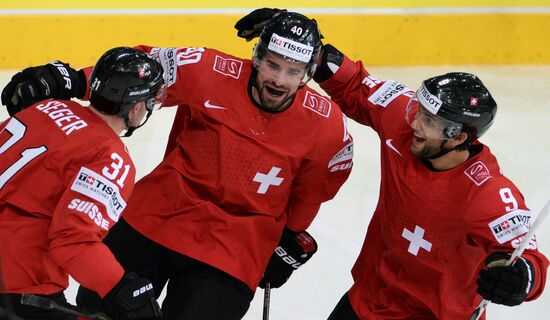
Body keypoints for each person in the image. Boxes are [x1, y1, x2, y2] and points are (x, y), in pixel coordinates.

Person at [2, 11, 354, 319]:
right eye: (273, 65)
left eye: (293, 71)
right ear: (257, 58)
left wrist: (290, 236)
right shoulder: (208, 69)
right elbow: (141, 73)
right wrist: (74, 80)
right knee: (98, 303)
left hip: (236, 245)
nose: (279, 79)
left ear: (308, 73)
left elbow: (314, 189)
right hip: (158, 213)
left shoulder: (327, 127)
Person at [236, 8, 550, 320]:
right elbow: (357, 87)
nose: (414, 123)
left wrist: (521, 278)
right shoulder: (405, 125)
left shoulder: (488, 194)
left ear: (458, 137)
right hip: (369, 302)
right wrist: (304, 44)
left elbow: (526, 257)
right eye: (419, 109)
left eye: (429, 121)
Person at [0, 47, 165, 320]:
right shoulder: (110, 156)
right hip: (19, 281)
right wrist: (122, 289)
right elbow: (72, 240)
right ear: (136, 108)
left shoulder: (47, 107)